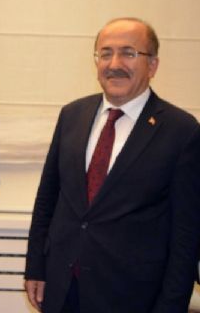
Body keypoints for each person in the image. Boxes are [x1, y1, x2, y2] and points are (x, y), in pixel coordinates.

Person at [24, 17, 200, 313]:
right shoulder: (72, 115)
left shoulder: (181, 131)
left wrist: (172, 304)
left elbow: (186, 234)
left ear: (152, 65)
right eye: (105, 53)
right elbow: (48, 199)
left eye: (129, 53)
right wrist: (36, 267)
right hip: (62, 287)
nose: (114, 64)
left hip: (132, 295)